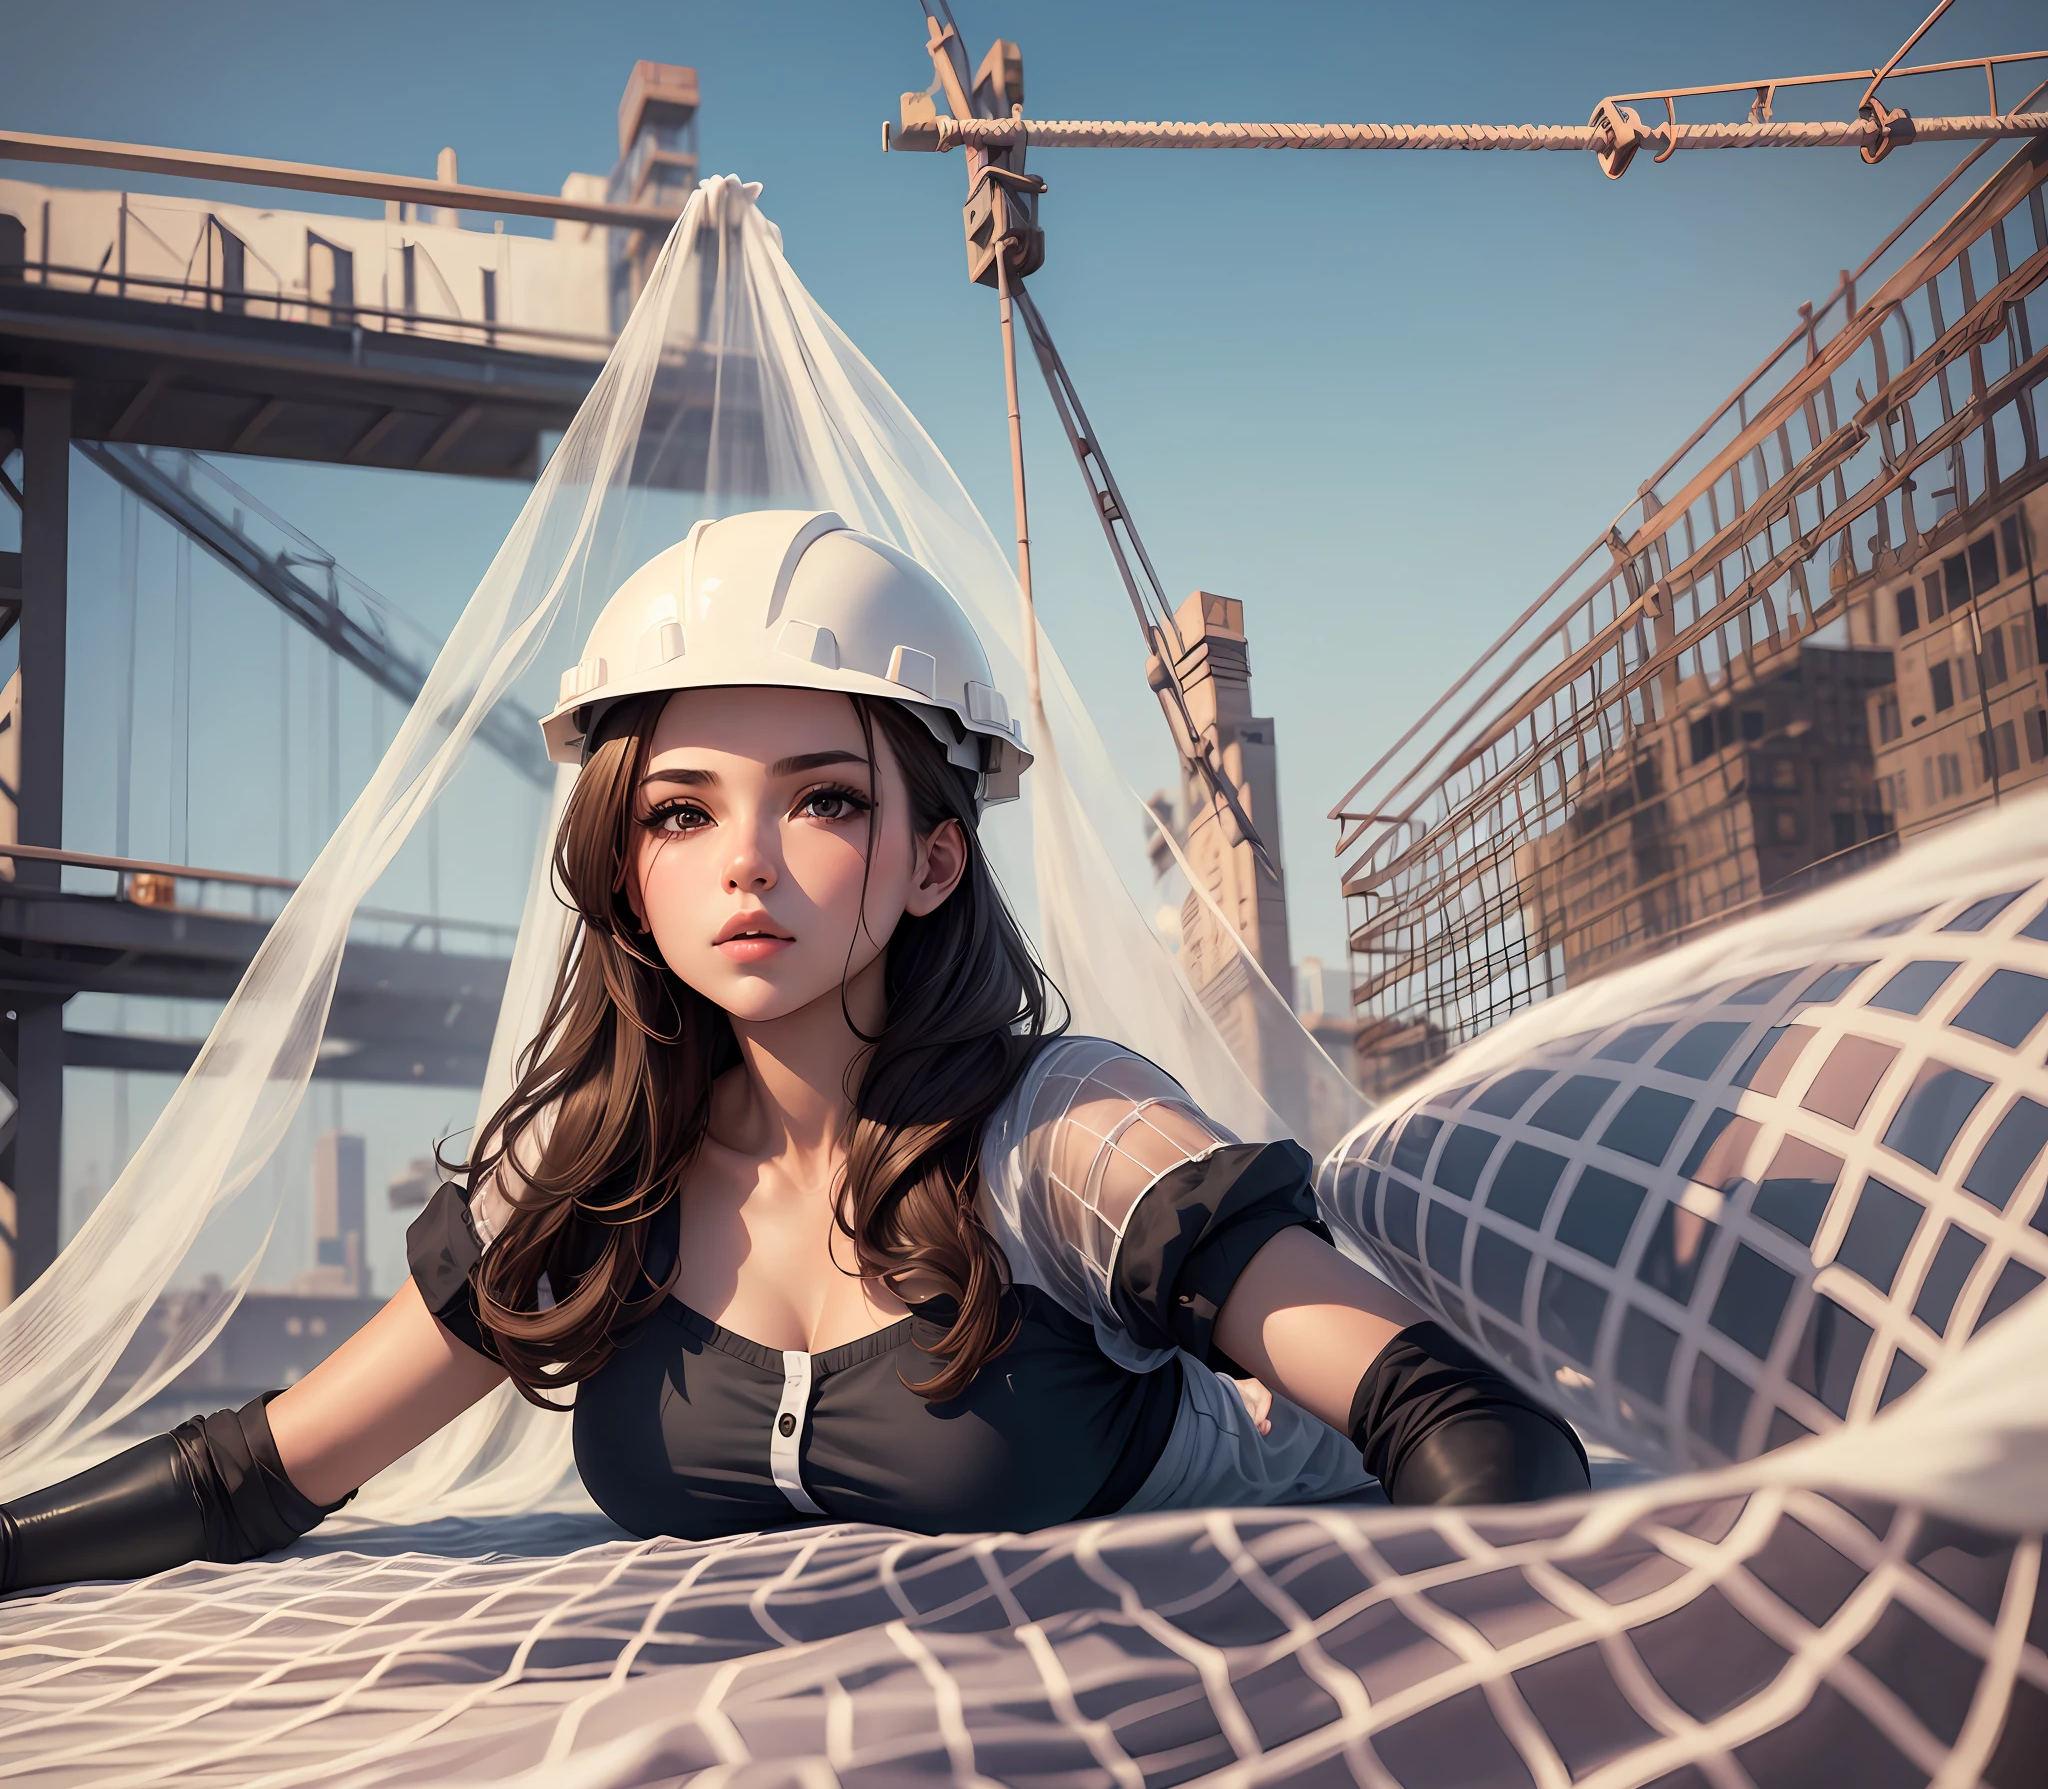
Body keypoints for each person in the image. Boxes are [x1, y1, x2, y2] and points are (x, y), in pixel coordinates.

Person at [0, 513, 1586, 1594]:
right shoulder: (592, 1193)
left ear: (933, 862)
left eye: (825, 797)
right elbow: (256, 1475)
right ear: (629, 866)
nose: (746, 862)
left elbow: (1465, 1426)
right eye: (683, 811)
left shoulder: (1066, 1136)